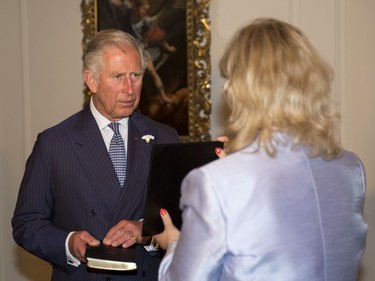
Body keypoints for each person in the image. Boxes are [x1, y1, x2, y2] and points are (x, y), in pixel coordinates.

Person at [154, 18, 368, 281]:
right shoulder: (351, 169)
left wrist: (174, 242)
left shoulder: (214, 182)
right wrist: (245, 154)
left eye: (230, 79)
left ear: (241, 89)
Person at [12, 29, 179, 281]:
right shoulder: (54, 143)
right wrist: (68, 243)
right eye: (118, 76)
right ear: (91, 80)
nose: (130, 88)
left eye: (135, 75)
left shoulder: (165, 137)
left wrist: (147, 229)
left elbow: (184, 219)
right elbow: (27, 223)